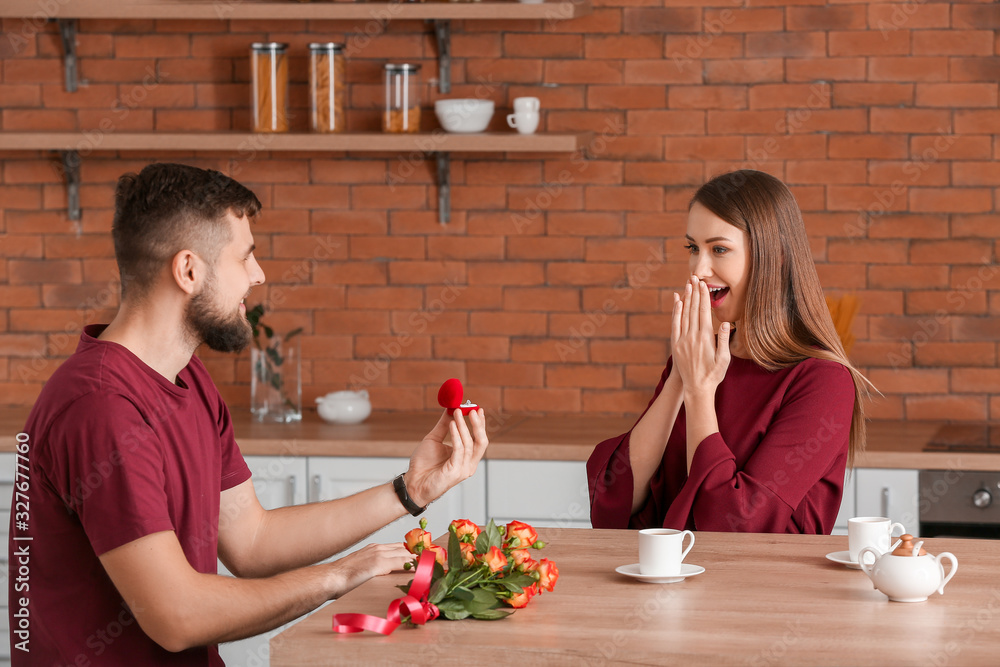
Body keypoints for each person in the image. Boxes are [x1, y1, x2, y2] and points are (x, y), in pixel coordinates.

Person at [8, 163, 489, 666]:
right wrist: (341, 574)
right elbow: (178, 617)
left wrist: (409, 490)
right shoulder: (101, 409)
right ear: (188, 270)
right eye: (246, 257)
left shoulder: (188, 379)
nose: (258, 275)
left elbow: (252, 542)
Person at [587, 170, 871, 534]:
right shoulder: (695, 359)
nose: (699, 269)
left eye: (718, 249)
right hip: (672, 584)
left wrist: (700, 392)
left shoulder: (823, 381)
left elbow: (736, 526)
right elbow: (616, 496)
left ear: (776, 258)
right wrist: (680, 377)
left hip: (767, 589)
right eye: (693, 248)